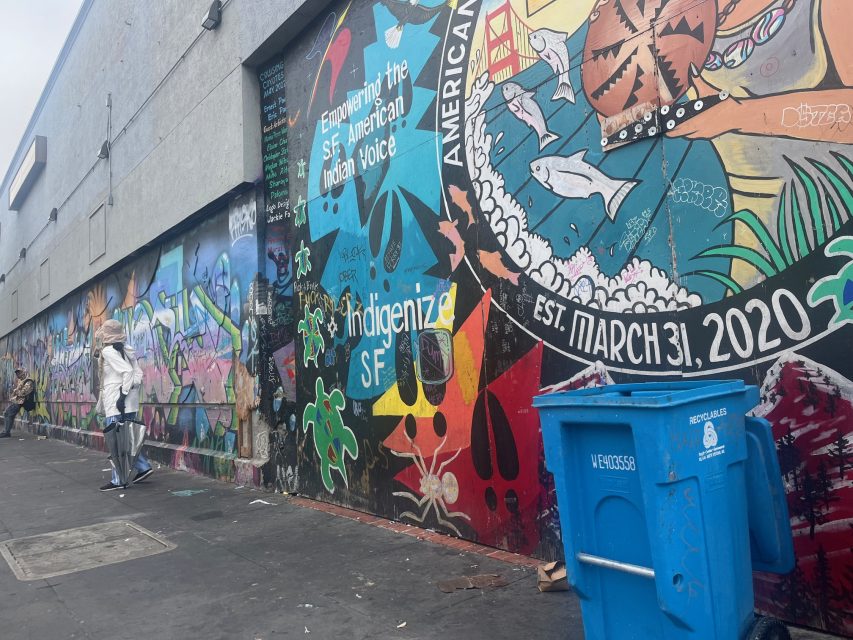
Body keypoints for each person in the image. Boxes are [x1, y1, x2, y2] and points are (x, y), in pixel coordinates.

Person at [94, 319, 153, 491]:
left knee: (116, 440)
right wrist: (129, 391)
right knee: (128, 438)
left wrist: (122, 395)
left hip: (116, 401)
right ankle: (142, 467)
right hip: (129, 402)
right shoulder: (126, 349)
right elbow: (137, 373)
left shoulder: (109, 351)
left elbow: (127, 371)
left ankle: (118, 480)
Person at [1, 368, 34, 438]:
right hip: (18, 401)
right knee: (8, 414)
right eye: (17, 373)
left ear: (23, 372)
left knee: (8, 413)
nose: (17, 374)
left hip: (22, 401)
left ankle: (6, 432)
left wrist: (16, 391)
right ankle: (6, 431)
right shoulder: (21, 381)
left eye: (19, 373)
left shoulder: (28, 381)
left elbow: (24, 392)